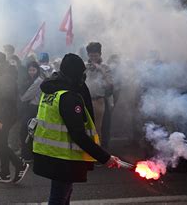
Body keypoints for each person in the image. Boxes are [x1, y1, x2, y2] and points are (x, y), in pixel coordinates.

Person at [32, 53, 121, 205]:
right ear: (75, 74)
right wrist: (105, 158)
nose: (83, 78)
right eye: (81, 74)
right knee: (59, 198)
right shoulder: (69, 97)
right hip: (64, 156)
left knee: (62, 195)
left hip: (51, 153)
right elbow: (78, 135)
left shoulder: (52, 90)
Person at [0, 51, 29, 184]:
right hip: (1, 115)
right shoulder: (3, 75)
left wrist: (0, 119)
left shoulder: (6, 77)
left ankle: (20, 165)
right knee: (1, 143)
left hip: (5, 116)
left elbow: (6, 100)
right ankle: (4, 172)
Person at [84, 42, 113, 142]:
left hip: (98, 100)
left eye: (95, 55)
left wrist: (100, 70)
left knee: (97, 128)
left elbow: (110, 84)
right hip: (84, 100)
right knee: (85, 128)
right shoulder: (84, 66)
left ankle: (98, 149)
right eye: (91, 56)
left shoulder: (105, 67)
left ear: (100, 54)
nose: (93, 58)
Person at [19, 61, 43, 162]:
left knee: (26, 131)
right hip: (32, 108)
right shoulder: (32, 80)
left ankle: (28, 155)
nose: (31, 72)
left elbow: (27, 95)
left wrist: (21, 98)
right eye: (29, 70)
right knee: (30, 132)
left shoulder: (38, 81)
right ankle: (29, 154)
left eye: (33, 70)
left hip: (34, 109)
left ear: (37, 70)